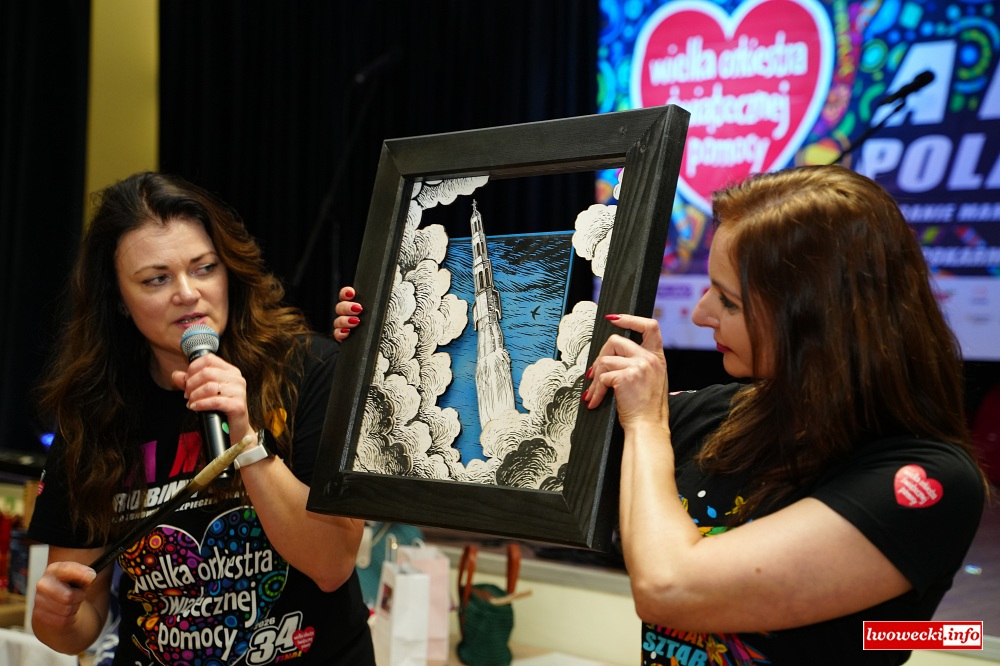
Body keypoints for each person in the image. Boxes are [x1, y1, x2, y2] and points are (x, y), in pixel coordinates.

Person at [579, 165, 988, 664]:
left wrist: (645, 422)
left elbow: (668, 587)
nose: (701, 314)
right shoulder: (718, 415)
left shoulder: (925, 482)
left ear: (816, 317)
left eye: (729, 301)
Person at [29, 172, 374, 664]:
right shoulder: (93, 414)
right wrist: (56, 618)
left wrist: (247, 438)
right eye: (156, 279)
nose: (188, 293)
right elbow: (81, 620)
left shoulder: (310, 370)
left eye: (204, 268)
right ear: (119, 299)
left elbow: (332, 564)